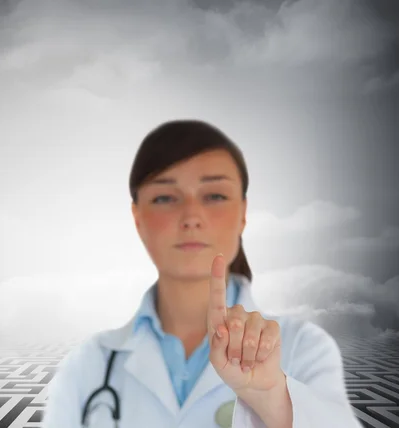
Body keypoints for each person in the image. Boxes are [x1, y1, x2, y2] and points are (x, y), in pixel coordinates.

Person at [42, 119, 362, 427]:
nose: (191, 216)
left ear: (243, 213)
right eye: (165, 197)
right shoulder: (86, 367)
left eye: (215, 196)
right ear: (137, 218)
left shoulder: (303, 349)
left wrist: (272, 398)